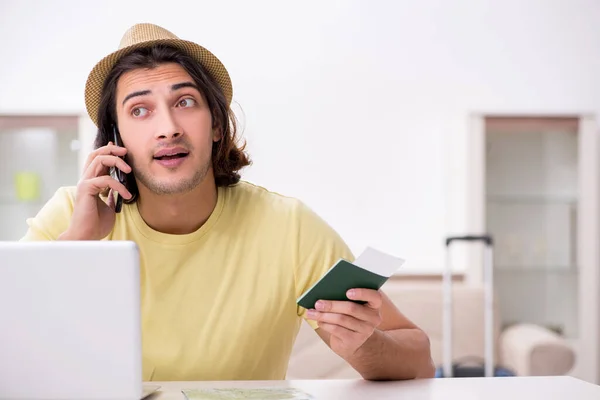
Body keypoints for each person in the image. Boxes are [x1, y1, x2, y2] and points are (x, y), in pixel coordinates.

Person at [20, 23, 435, 381]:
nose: (168, 128)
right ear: (116, 139)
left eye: (184, 102)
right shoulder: (72, 215)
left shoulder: (288, 227)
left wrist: (362, 345)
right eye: (140, 110)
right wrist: (77, 242)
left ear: (217, 125)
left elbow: (420, 360)